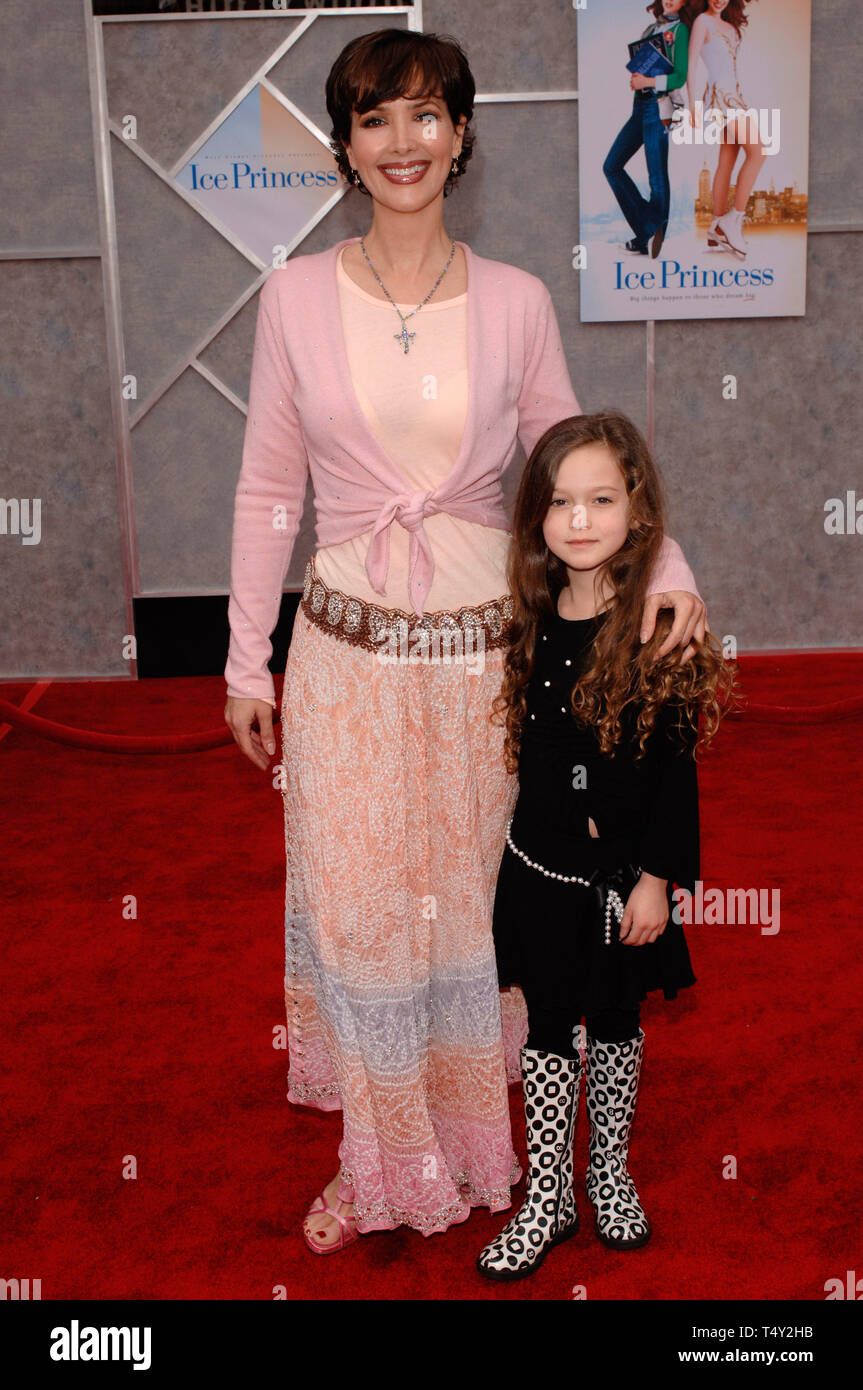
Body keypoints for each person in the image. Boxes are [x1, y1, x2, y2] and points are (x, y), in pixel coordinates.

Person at [222, 28, 707, 1254]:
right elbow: (267, 490)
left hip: (489, 671)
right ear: (344, 144)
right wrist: (242, 659)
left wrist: (675, 570)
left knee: (472, 923)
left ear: (462, 136)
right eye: (376, 120)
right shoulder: (290, 298)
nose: (403, 143)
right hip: (342, 662)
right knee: (359, 915)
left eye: (426, 116)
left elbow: (572, 466)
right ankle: (379, 1165)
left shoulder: (514, 301)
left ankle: (487, 1157)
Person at [477, 410, 734, 1280]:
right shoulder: (532, 613)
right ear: (536, 518)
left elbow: (673, 770)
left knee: (617, 1023)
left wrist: (658, 879)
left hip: (625, 881)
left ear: (637, 512)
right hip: (540, 871)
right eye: (559, 502)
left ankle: (608, 1172)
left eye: (599, 499)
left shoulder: (655, 626)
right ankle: (545, 1196)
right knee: (548, 1027)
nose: (578, 520)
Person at [602, 0, 698, 260]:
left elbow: (679, 76)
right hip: (640, 107)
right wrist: (636, 80)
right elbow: (641, 65)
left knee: (656, 176)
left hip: (659, 107)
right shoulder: (649, 29)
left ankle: (647, 238)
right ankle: (647, 228)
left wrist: (648, 80)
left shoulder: (681, 31)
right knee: (611, 166)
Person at [686, 0, 766, 259]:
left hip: (734, 93)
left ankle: (716, 228)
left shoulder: (730, 25)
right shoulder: (702, 22)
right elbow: (692, 65)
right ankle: (733, 220)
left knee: (727, 161)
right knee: (758, 152)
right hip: (722, 95)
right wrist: (692, 106)